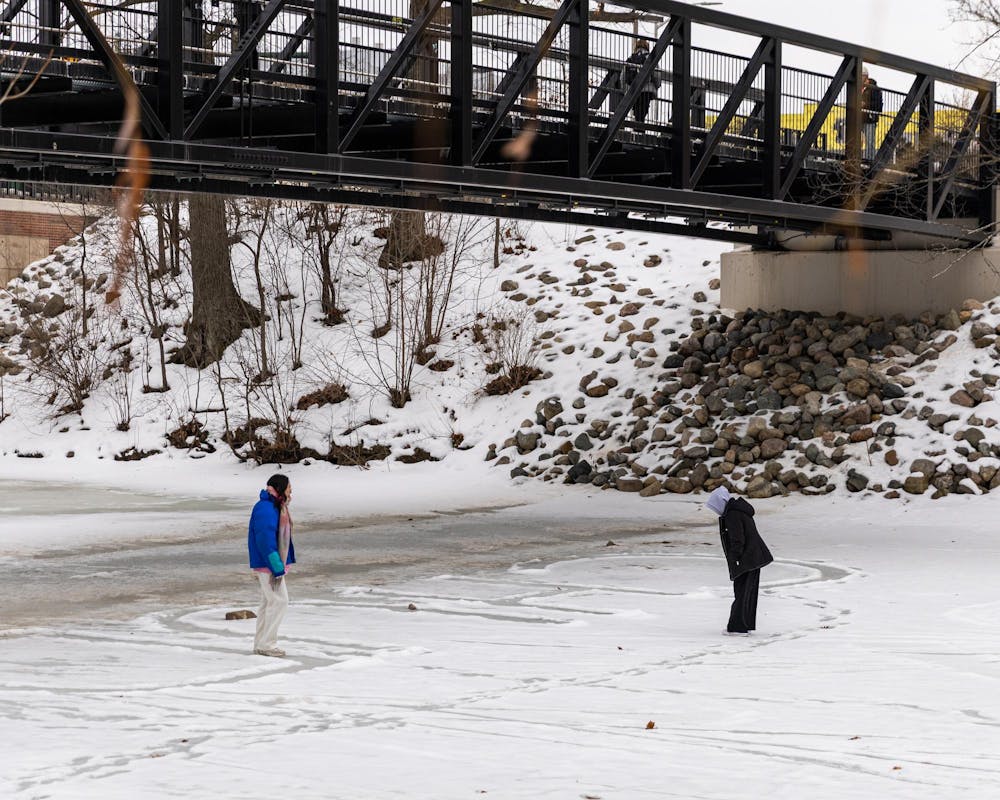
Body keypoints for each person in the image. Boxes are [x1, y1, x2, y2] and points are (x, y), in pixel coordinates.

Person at [706, 486, 773, 636]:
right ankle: (745, 625)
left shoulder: (733, 515)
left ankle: (737, 627)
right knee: (748, 592)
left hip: (747, 558)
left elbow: (738, 540)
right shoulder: (739, 510)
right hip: (754, 557)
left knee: (742, 592)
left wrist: (734, 558)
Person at [247, 473, 296, 657]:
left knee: (269, 602)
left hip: (269, 564)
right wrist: (276, 567)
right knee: (280, 601)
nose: (291, 491)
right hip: (268, 565)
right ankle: (267, 644)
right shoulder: (265, 509)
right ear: (280, 488)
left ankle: (261, 643)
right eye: (289, 487)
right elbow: (265, 541)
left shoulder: (275, 507)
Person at [623, 42, 661, 124]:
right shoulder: (650, 57)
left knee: (637, 111)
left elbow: (623, 76)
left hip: (633, 89)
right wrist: (657, 85)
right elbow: (656, 74)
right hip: (647, 89)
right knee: (643, 110)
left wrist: (625, 90)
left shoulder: (631, 58)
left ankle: (638, 128)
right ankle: (640, 130)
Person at [861, 69, 883, 159]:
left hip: (869, 119)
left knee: (870, 141)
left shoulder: (874, 89)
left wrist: (865, 105)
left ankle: (869, 160)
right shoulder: (859, 87)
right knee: (855, 139)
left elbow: (878, 105)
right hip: (859, 118)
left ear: (865, 76)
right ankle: (856, 158)